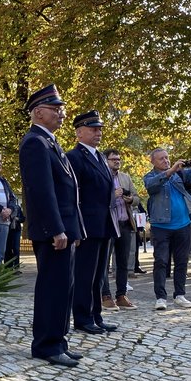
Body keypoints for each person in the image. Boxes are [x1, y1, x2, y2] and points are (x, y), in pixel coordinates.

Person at [18, 84, 84, 367]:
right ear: (38, 112)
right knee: (52, 287)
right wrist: (57, 229)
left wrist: (74, 230)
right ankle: (46, 345)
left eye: (62, 108)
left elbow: (70, 190)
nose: (62, 114)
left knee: (64, 288)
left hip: (65, 228)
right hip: (53, 230)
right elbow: (41, 191)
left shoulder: (50, 141)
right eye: (56, 109)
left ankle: (58, 340)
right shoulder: (35, 142)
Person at [66, 111, 119, 335]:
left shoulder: (99, 157)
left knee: (99, 275)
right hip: (86, 225)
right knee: (85, 274)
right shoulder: (74, 157)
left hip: (103, 224)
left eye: (99, 129)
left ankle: (96, 315)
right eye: (93, 129)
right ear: (79, 132)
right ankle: (82, 317)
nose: (98, 133)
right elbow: (71, 194)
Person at [143, 149, 191, 310]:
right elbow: (151, 186)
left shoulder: (178, 174)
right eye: (161, 159)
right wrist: (170, 171)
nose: (166, 161)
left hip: (183, 224)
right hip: (160, 225)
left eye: (167, 158)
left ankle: (180, 295)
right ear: (153, 162)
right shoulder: (149, 176)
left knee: (182, 261)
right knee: (161, 261)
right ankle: (161, 297)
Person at [103, 149, 137, 309]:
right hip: (108, 224)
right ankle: (105, 295)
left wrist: (131, 199)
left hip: (124, 224)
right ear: (106, 160)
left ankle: (121, 295)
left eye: (119, 159)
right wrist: (112, 195)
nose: (117, 161)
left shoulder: (125, 177)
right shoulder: (102, 176)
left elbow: (137, 198)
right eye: (113, 159)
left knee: (123, 262)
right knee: (104, 262)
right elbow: (96, 199)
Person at [4, 202, 25, 267]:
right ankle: (8, 267)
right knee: (8, 248)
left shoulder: (18, 208)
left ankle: (16, 266)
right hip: (7, 229)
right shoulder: (6, 208)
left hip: (16, 230)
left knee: (16, 248)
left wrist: (18, 219)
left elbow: (23, 218)